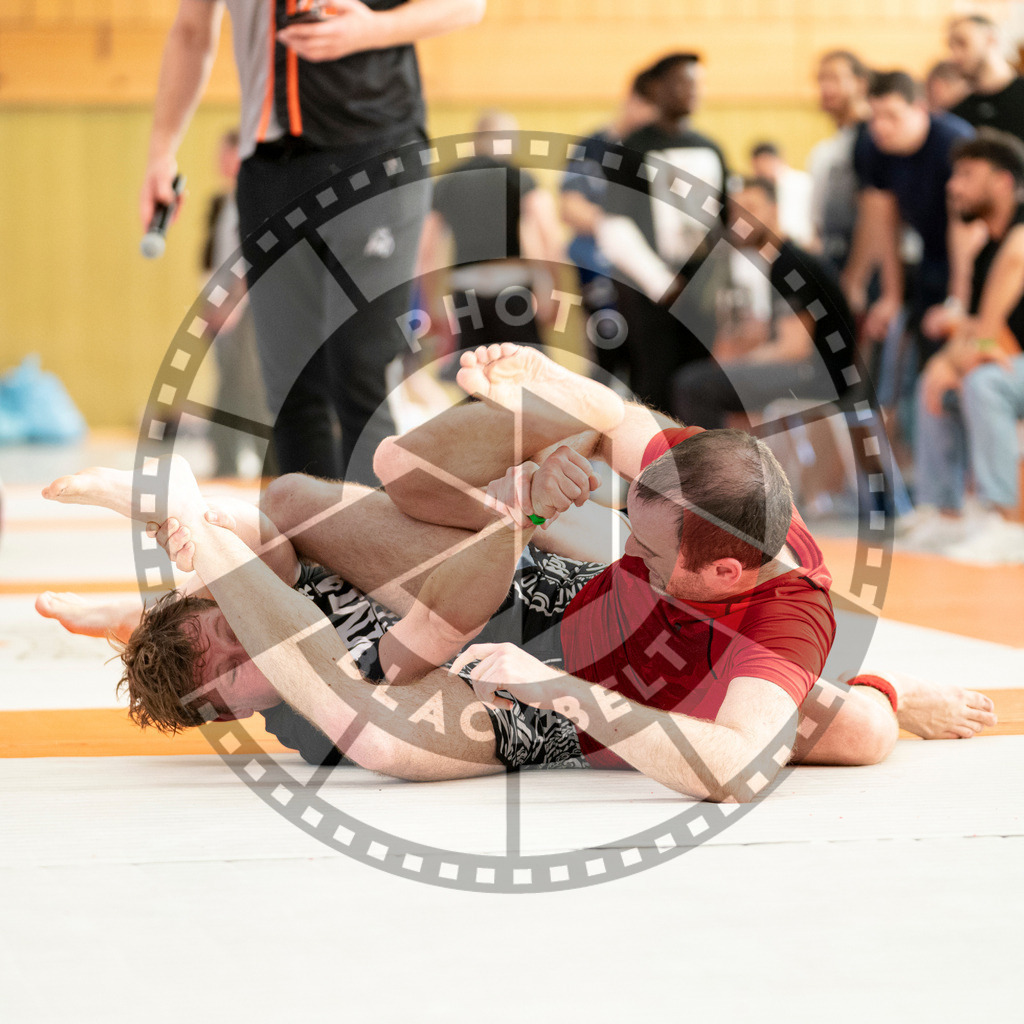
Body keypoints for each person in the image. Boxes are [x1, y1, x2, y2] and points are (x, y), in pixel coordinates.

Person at [39, 348, 996, 795]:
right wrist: (538, 383)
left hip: (596, 693)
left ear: (722, 571)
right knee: (309, 506)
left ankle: (888, 691)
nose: (629, 545)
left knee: (859, 730)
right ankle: (192, 568)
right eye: (632, 521)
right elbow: (619, 421)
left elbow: (729, 770)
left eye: (652, 553)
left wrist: (564, 693)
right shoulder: (703, 478)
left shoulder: (780, 630)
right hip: (540, 610)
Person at [140, 0, 486, 484]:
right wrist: (162, 151)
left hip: (376, 152)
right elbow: (192, 31)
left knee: (362, 367)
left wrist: (373, 29)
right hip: (269, 169)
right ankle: (315, 556)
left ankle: (375, 552)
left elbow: (467, 6)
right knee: (290, 386)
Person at [907, 130, 1024, 563]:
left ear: (1003, 182)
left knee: (983, 383)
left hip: (1011, 365)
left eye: (967, 175)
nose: (953, 186)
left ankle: (1009, 524)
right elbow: (980, 334)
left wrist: (960, 350)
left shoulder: (1020, 238)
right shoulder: (986, 244)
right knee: (936, 380)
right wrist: (952, 357)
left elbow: (991, 335)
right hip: (1014, 361)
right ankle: (946, 513)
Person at [595, 52, 730, 412]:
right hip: (651, 290)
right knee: (654, 382)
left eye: (698, 83)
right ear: (658, 88)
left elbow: (724, 220)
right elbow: (615, 224)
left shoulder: (710, 147)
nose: (694, 91)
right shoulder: (633, 148)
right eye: (685, 82)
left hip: (701, 289)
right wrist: (659, 282)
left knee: (698, 380)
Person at [671, 177, 854, 429]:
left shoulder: (789, 264)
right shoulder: (778, 261)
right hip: (813, 370)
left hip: (820, 377)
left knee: (694, 386)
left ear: (774, 210)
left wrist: (739, 362)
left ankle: (718, 466)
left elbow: (794, 349)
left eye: (750, 209)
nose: (739, 220)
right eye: (735, 211)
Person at [843, 71, 974, 374]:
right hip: (929, 251)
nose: (881, 127)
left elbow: (964, 229)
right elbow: (881, 222)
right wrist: (892, 295)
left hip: (970, 255)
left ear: (921, 109)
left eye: (892, 116)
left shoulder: (953, 143)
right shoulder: (871, 146)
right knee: (900, 327)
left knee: (947, 337)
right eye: (875, 116)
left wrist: (957, 302)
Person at [416, 111, 564, 373]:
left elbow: (425, 249)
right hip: (513, 286)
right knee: (525, 374)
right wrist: (554, 290)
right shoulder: (520, 178)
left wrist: (431, 304)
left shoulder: (447, 182)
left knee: (474, 375)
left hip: (466, 288)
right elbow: (549, 236)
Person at [559, 68, 657, 379]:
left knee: (649, 356)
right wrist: (617, 232)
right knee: (608, 350)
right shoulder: (595, 145)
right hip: (599, 265)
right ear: (632, 101)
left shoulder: (653, 148)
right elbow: (569, 206)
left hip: (646, 272)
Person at [200, 128, 272, 478]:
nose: (219, 159)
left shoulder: (252, 198)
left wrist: (231, 305)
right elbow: (217, 264)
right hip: (226, 309)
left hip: (246, 312)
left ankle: (265, 462)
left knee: (247, 390)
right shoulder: (225, 202)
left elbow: (252, 259)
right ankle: (228, 461)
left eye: (226, 152)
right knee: (231, 387)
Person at [807, 50, 873, 274]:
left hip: (866, 268)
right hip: (832, 256)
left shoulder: (873, 140)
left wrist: (857, 275)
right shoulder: (826, 149)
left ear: (860, 84)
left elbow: (874, 212)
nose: (826, 88)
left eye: (834, 78)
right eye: (821, 80)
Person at [948, 13, 1024, 142]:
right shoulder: (958, 113)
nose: (955, 55)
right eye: (951, 47)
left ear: (991, 39)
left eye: (962, 43)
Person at [749, 142, 814, 248]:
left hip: (802, 244)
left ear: (777, 161)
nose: (760, 175)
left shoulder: (802, 184)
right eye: (757, 171)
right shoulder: (756, 189)